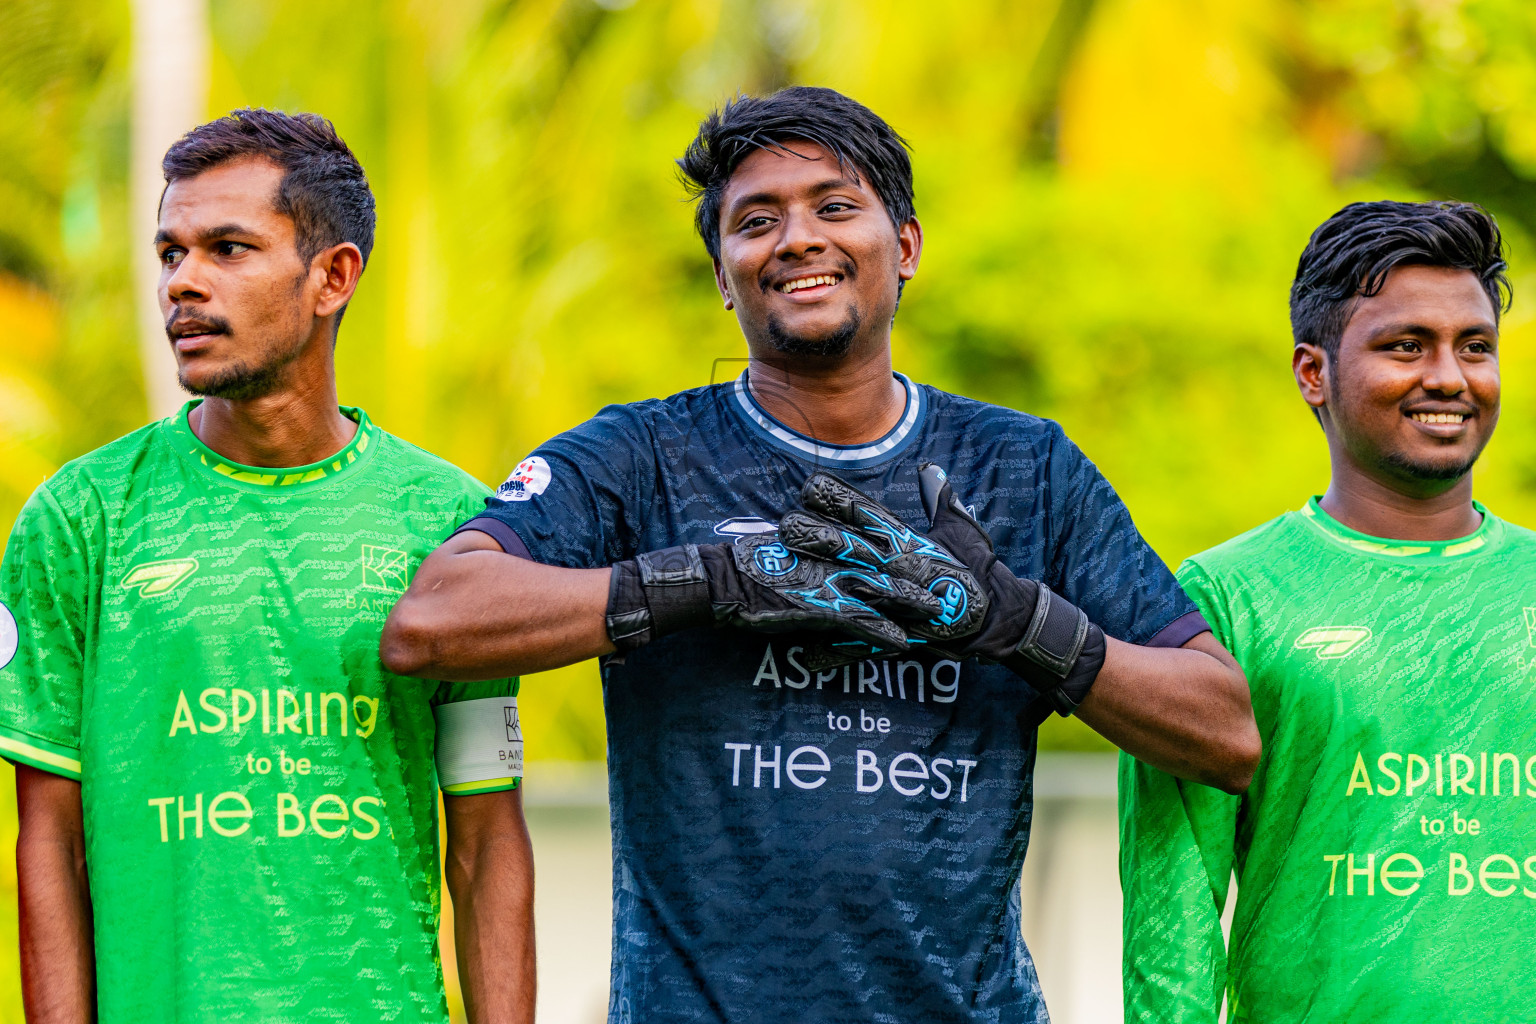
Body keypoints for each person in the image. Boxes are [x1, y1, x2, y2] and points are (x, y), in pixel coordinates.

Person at [383, 86, 1258, 1023]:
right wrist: (705, 581)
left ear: (907, 245)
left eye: (835, 207)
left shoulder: (1025, 469)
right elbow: (434, 622)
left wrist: (1016, 623)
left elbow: (1226, 734)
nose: (798, 239)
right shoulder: (640, 457)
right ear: (724, 273)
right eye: (756, 221)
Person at [2, 109, 534, 1024]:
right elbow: (49, 842)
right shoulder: (80, 516)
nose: (183, 283)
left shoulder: (450, 525)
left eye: (228, 249)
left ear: (333, 276)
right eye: (170, 253)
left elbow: (486, 841)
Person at [1119, 200, 1533, 1022]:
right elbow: (1172, 915)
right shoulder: (1224, 598)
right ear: (1314, 372)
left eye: (1474, 347)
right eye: (1405, 346)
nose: (1450, 377)